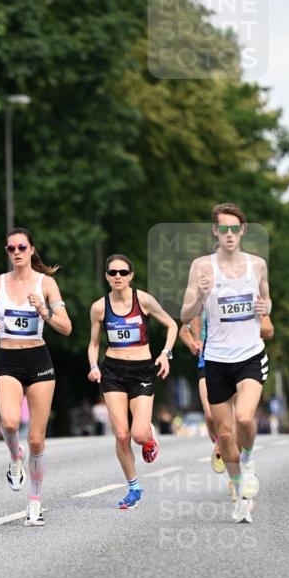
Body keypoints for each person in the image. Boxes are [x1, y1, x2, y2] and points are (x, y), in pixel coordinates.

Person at [0, 227, 72, 526]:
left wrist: (44, 311)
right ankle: (15, 460)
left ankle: (35, 502)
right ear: (7, 252)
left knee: (37, 441)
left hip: (39, 361)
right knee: (9, 422)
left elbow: (66, 328)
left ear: (32, 250)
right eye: (11, 249)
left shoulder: (47, 284)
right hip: (9, 360)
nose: (16, 252)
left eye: (22, 247)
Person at [181, 202, 272, 523]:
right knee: (225, 433)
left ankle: (247, 461)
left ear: (243, 230)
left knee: (246, 419)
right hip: (216, 358)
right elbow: (185, 315)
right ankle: (239, 494)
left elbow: (266, 299)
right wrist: (200, 296)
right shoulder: (201, 267)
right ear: (215, 231)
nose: (230, 234)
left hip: (250, 354)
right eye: (224, 228)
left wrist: (265, 308)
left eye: (236, 228)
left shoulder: (257, 265)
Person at [88, 254, 178, 511]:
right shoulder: (99, 307)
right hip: (113, 371)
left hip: (142, 371)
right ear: (106, 276)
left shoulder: (144, 300)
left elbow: (172, 325)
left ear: (131, 275)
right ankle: (133, 488)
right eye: (113, 272)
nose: (118, 276)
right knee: (121, 434)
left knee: (138, 435)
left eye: (123, 272)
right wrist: (94, 366)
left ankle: (148, 435)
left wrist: (165, 353)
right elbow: (94, 343)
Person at [179, 309, 274, 481]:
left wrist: (244, 328)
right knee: (210, 416)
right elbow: (184, 329)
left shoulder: (247, 295)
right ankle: (220, 443)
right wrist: (194, 342)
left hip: (242, 362)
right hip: (209, 362)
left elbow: (268, 329)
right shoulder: (206, 301)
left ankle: (238, 475)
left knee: (239, 419)